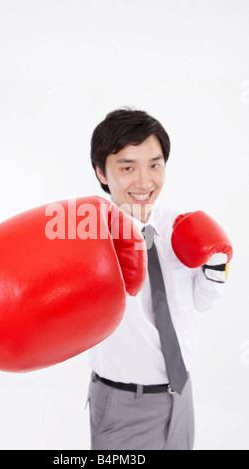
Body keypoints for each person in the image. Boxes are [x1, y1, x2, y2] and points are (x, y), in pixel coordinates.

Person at [86, 107, 227, 450]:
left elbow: (198, 303)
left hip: (182, 395)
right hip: (123, 405)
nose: (144, 181)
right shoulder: (89, 238)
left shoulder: (178, 225)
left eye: (154, 164)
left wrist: (215, 268)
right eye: (127, 167)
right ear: (102, 173)